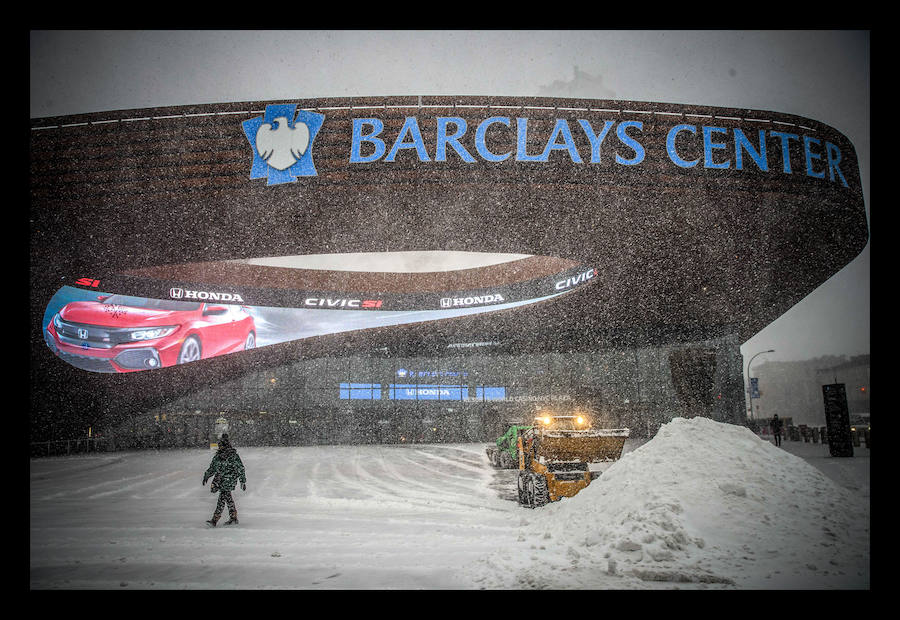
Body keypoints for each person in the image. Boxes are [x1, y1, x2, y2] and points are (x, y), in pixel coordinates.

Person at [202, 433, 246, 527]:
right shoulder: (218, 456)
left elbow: (240, 468)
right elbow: (212, 468)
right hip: (220, 479)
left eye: (221, 446)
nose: (220, 447)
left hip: (229, 479)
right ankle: (233, 517)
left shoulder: (233, 456)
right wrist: (206, 475)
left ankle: (215, 520)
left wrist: (243, 480)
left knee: (222, 498)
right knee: (227, 498)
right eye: (219, 446)